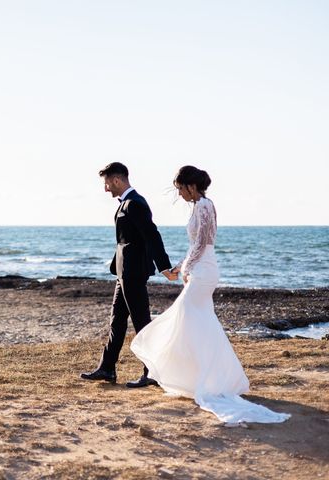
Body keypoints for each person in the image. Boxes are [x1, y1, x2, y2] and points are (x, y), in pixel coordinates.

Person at [130, 166, 290, 423]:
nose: (179, 194)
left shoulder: (204, 205)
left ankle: (207, 379)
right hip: (201, 268)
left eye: (180, 188)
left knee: (185, 316)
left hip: (203, 271)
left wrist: (187, 268)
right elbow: (195, 245)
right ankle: (202, 377)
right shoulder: (199, 207)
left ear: (191, 186)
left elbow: (203, 243)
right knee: (199, 323)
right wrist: (180, 266)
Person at [81, 162, 177, 387]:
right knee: (117, 321)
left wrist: (164, 267)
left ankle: (152, 372)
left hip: (134, 273)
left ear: (116, 180)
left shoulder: (135, 204)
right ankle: (107, 369)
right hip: (123, 273)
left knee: (142, 322)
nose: (106, 189)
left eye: (107, 183)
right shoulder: (125, 203)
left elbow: (152, 235)